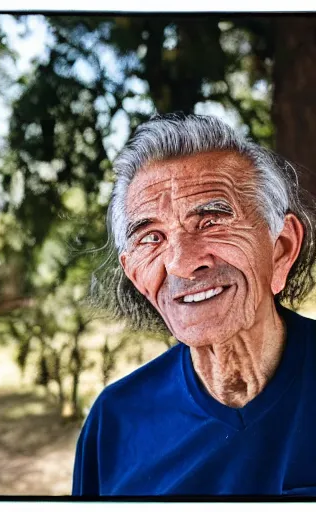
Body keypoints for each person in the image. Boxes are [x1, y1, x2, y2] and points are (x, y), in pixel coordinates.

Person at [72, 113, 316, 496]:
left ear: (281, 248)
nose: (182, 262)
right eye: (151, 237)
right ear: (135, 274)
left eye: (211, 222)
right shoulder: (115, 421)